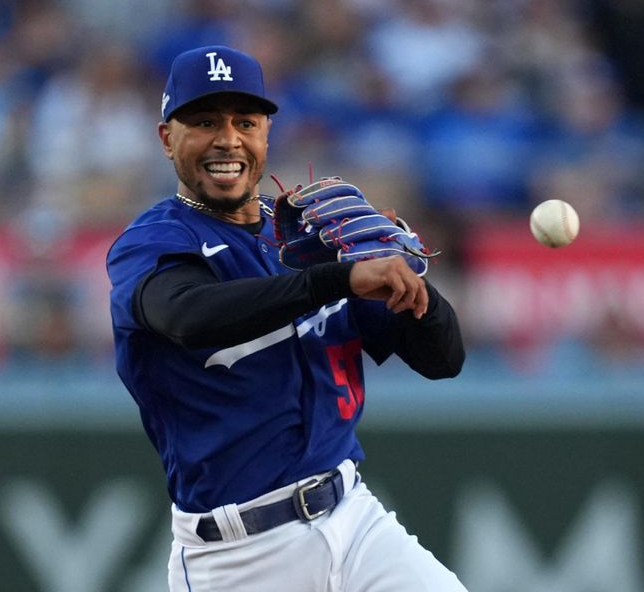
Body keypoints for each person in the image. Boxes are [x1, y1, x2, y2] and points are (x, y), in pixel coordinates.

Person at [107, 44, 467, 591]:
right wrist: (337, 279)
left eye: (244, 122)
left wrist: (414, 287)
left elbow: (443, 360)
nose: (227, 139)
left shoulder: (309, 237)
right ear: (167, 138)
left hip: (356, 520)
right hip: (238, 556)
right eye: (204, 122)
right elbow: (188, 316)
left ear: (265, 134)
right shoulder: (156, 241)